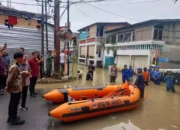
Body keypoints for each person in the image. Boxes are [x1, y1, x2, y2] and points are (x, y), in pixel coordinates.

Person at [5, 52, 25, 125]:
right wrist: (8, 88)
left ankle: (11, 117)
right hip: (15, 89)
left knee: (12, 103)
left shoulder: (16, 65)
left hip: (15, 88)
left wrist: (22, 73)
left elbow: (16, 76)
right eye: (22, 57)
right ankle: (13, 119)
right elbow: (10, 79)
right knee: (14, 104)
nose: (23, 59)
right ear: (18, 58)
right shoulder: (15, 67)